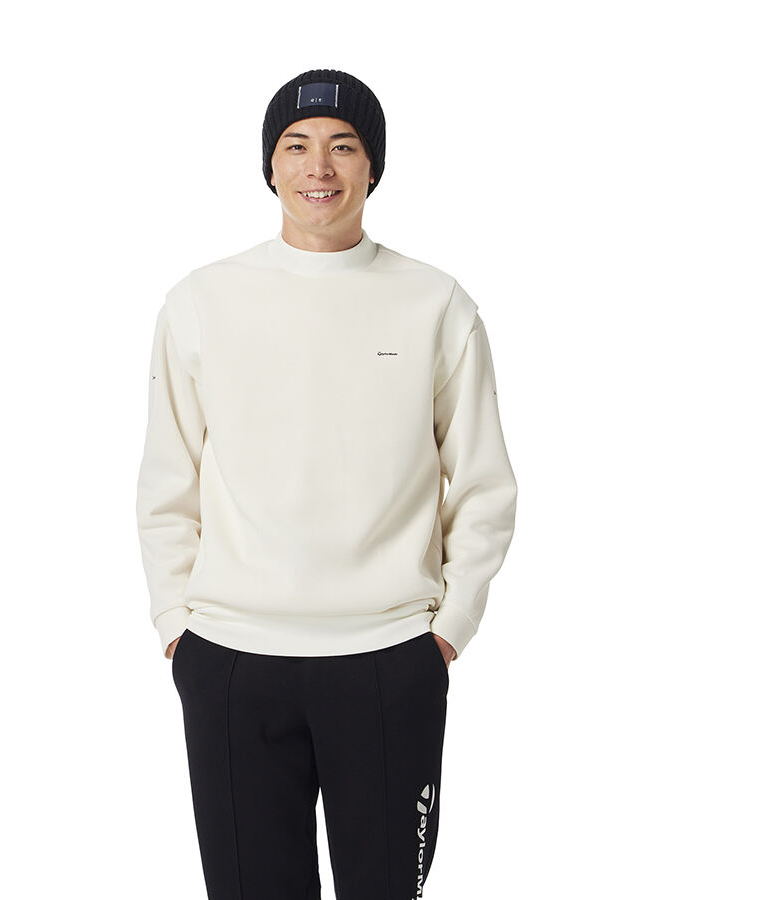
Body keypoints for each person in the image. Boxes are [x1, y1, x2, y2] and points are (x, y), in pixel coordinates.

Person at [135, 68, 518, 900]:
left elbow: (484, 482)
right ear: (270, 166)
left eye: (343, 147)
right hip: (232, 659)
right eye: (296, 145)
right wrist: (176, 626)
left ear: (372, 166)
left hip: (388, 658)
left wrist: (448, 629)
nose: (319, 167)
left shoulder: (435, 303)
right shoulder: (202, 301)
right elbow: (169, 479)